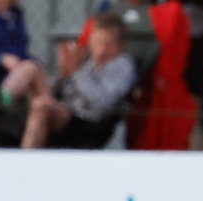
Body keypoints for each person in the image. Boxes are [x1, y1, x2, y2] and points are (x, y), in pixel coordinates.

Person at [17, 12, 137, 148]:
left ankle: (27, 160)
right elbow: (64, 92)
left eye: (108, 44)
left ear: (120, 45)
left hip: (87, 122)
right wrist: (65, 72)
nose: (101, 50)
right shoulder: (89, 62)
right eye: (97, 43)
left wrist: (76, 71)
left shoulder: (122, 65)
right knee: (33, 73)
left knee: (41, 106)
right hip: (68, 111)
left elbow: (101, 103)